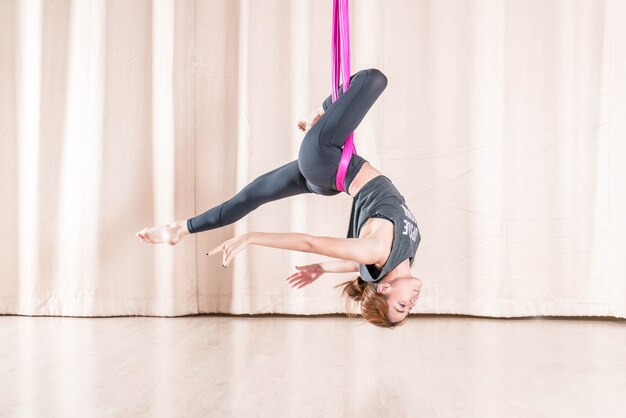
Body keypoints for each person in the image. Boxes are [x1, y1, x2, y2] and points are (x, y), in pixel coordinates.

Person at [136, 68, 422, 328]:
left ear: (385, 289)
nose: (412, 303)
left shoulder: (376, 252)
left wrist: (251, 237)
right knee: (252, 195)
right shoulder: (398, 259)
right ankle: (180, 229)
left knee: (373, 80)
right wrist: (321, 269)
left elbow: (308, 242)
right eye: (408, 309)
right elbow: (353, 265)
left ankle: (318, 113)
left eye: (401, 306)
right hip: (331, 178)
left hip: (327, 162)